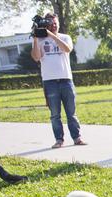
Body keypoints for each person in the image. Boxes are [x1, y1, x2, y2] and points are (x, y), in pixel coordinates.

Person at [31, 12, 86, 149]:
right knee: (55, 114)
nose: (54, 25)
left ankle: (77, 137)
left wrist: (52, 35)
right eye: (51, 23)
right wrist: (35, 37)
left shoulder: (65, 37)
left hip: (66, 79)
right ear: (46, 23)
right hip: (50, 82)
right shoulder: (40, 40)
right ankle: (59, 140)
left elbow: (67, 49)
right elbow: (36, 57)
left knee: (71, 113)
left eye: (56, 23)